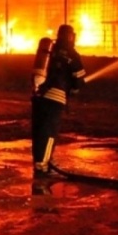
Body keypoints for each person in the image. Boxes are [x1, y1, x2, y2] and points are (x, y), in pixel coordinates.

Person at [31, 24, 87, 179]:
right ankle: (43, 166)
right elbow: (79, 80)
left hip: (39, 96)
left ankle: (39, 162)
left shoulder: (50, 50)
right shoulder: (72, 54)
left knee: (39, 131)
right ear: (71, 36)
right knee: (49, 133)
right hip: (56, 98)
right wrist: (75, 88)